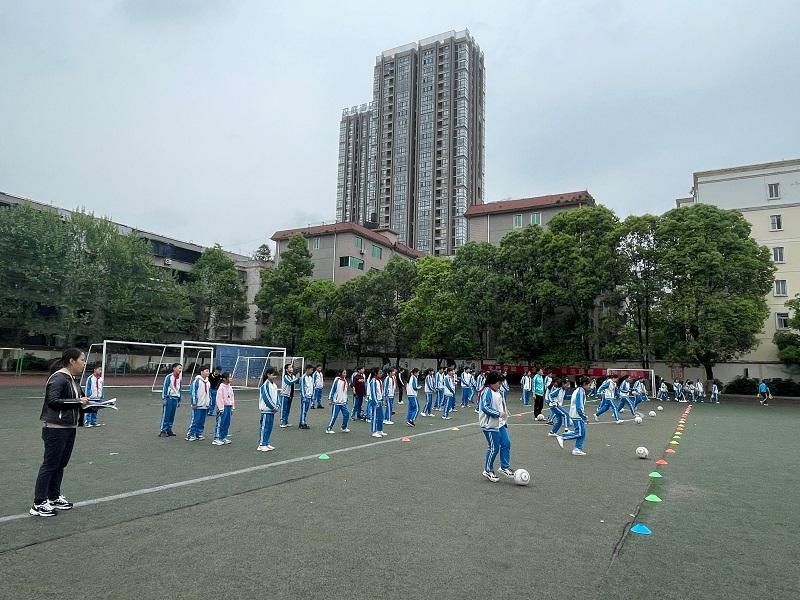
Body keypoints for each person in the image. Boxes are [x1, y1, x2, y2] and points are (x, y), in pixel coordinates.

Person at [30, 348, 91, 517]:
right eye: (82, 360)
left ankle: (53, 497)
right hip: (55, 428)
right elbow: (53, 401)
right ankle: (39, 503)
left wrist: (88, 404)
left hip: (69, 427)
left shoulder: (72, 379)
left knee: (60, 464)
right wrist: (78, 401)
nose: (84, 363)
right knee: (50, 465)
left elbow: (77, 401)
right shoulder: (59, 378)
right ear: (72, 361)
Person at [478, 371, 515, 482]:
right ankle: (488, 470)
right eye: (499, 383)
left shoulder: (498, 392)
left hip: (500, 424)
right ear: (492, 382)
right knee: (494, 448)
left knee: (506, 443)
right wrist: (498, 414)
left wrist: (504, 420)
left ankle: (504, 467)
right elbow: (485, 407)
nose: (500, 385)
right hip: (489, 425)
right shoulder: (487, 392)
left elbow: (501, 407)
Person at [555, 376, 591, 456]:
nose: (590, 386)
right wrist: (584, 417)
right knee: (579, 433)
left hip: (576, 415)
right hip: (577, 415)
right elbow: (579, 407)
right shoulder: (580, 392)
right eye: (589, 384)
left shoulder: (578, 390)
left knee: (583, 432)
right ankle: (562, 437)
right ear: (584, 384)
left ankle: (577, 448)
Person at [186, 366, 211, 441]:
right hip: (198, 404)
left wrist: (209, 402)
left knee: (202, 421)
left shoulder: (208, 382)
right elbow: (193, 392)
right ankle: (190, 434)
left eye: (208, 371)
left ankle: (199, 433)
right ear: (201, 372)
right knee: (195, 420)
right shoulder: (197, 381)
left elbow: (209, 393)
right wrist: (194, 402)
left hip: (205, 404)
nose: (208, 372)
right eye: (206, 371)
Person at [257, 367, 279, 452]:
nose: (274, 377)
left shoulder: (274, 385)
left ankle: (266, 442)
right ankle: (262, 444)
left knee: (269, 427)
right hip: (266, 410)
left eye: (275, 375)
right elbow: (266, 398)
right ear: (268, 375)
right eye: (273, 375)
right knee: (264, 427)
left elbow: (276, 397)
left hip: (272, 410)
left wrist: (278, 405)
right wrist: (273, 407)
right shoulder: (265, 385)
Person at [159, 362, 182, 437]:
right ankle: (163, 430)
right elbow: (165, 387)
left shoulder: (179, 378)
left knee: (172, 415)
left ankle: (169, 429)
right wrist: (164, 398)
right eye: (179, 368)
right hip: (169, 398)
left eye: (181, 368)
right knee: (166, 414)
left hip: (175, 398)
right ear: (174, 368)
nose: (180, 370)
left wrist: (179, 399)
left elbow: (179, 389)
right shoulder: (169, 377)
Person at [212, 372, 235, 445]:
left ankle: (223, 437)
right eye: (229, 377)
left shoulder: (230, 387)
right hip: (222, 407)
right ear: (225, 379)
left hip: (229, 407)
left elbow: (232, 397)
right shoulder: (221, 387)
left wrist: (232, 407)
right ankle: (217, 438)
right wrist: (221, 408)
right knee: (220, 423)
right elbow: (219, 398)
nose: (231, 378)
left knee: (226, 423)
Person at [326, 369, 351, 433]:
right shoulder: (337, 380)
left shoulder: (345, 381)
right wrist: (330, 399)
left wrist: (346, 398)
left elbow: (345, 391)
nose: (345, 374)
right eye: (344, 373)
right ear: (340, 373)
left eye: (346, 373)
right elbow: (333, 389)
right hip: (336, 402)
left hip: (343, 402)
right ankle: (329, 428)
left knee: (347, 414)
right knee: (334, 416)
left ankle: (343, 427)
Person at [279, 364, 298, 428]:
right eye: (290, 367)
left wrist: (299, 378)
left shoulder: (293, 376)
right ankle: (282, 422)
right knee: (283, 409)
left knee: (288, 409)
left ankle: (286, 421)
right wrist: (297, 378)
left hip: (290, 395)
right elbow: (289, 382)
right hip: (284, 395)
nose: (291, 368)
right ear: (286, 369)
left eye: (292, 367)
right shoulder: (285, 376)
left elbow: (297, 381)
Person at [369, 369, 386, 438]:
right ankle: (374, 431)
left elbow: (380, 392)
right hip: (374, 401)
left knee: (381, 416)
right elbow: (373, 392)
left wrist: (382, 399)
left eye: (381, 373)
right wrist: (375, 402)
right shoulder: (373, 381)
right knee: (374, 416)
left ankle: (379, 430)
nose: (381, 374)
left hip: (379, 400)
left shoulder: (380, 381)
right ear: (375, 373)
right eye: (379, 373)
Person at [299, 365, 314, 429]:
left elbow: (312, 387)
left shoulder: (310, 378)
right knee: (303, 411)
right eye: (311, 370)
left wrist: (312, 396)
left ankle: (303, 422)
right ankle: (302, 423)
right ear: (307, 369)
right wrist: (303, 396)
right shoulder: (303, 378)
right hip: (305, 397)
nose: (312, 371)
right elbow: (302, 388)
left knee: (306, 411)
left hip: (309, 396)